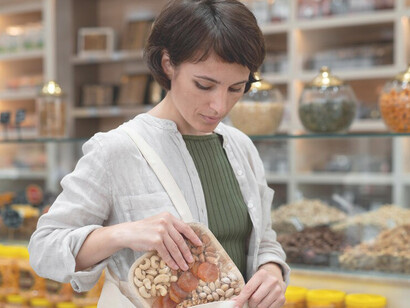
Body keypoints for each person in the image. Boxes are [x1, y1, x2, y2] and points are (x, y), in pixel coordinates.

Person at [28, 0, 290, 307]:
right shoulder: (117, 149)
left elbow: (265, 240)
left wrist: (271, 269)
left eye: (236, 88)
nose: (219, 106)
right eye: (204, 85)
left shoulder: (240, 147)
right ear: (168, 64)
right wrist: (122, 234)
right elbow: (44, 249)